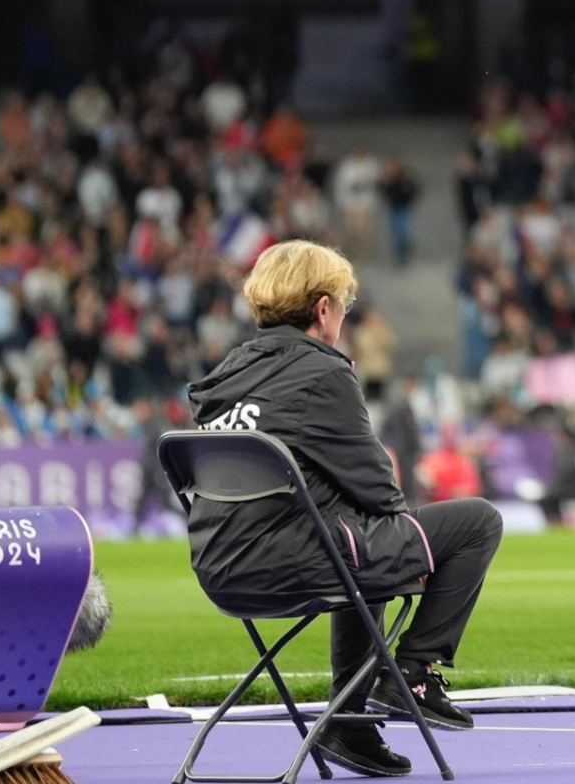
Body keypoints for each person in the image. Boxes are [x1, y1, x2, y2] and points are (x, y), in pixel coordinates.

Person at [185, 240, 503, 778]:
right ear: (324, 308)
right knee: (477, 523)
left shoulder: (222, 379)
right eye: (345, 305)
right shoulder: (322, 373)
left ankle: (349, 723)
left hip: (218, 570)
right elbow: (381, 492)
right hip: (287, 560)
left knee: (358, 539)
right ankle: (416, 672)